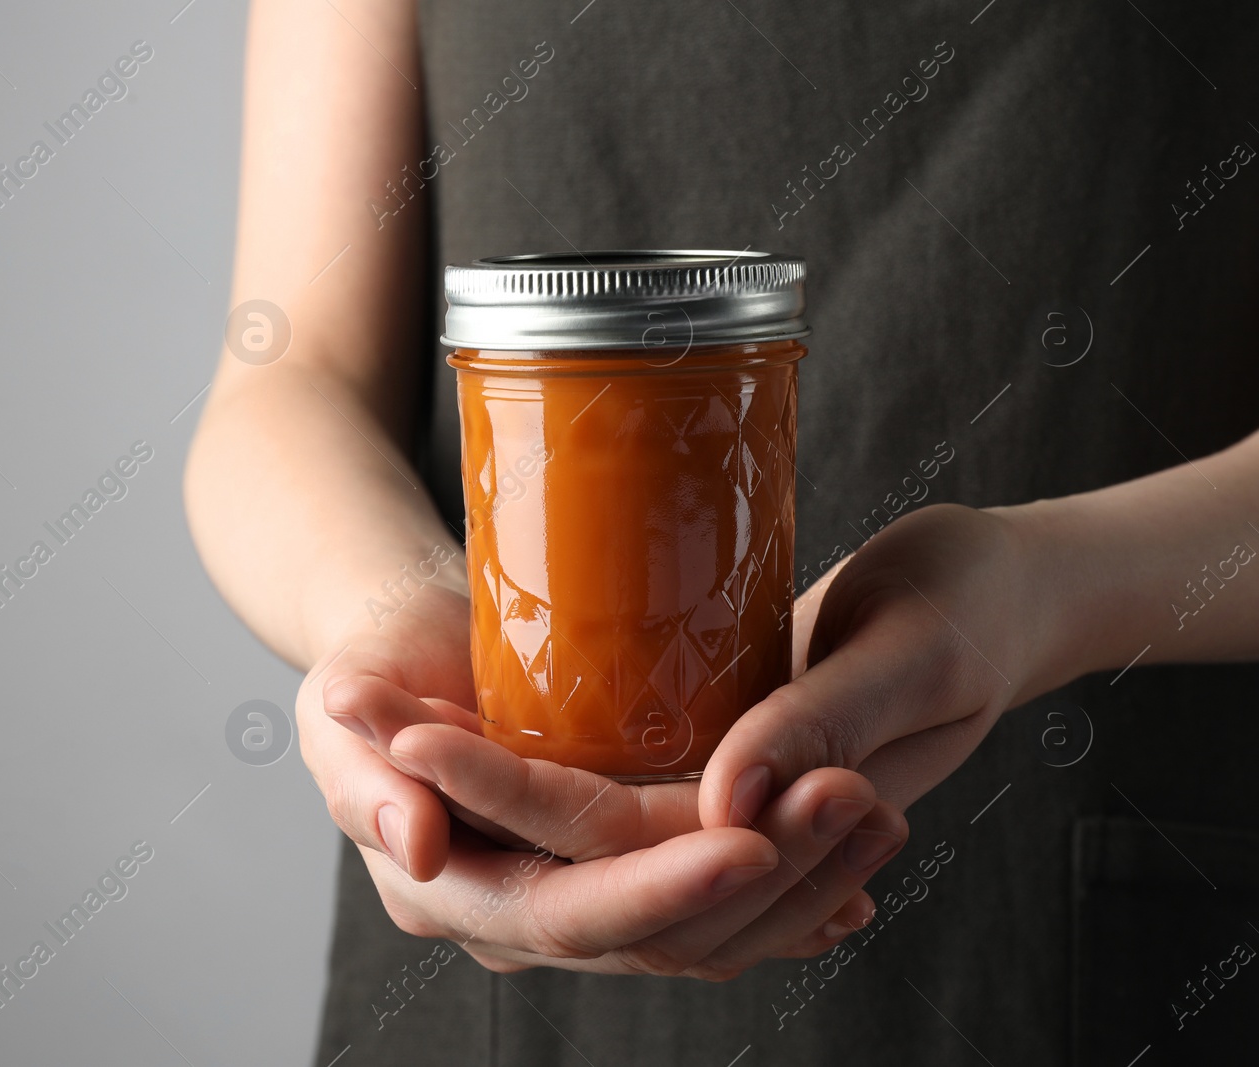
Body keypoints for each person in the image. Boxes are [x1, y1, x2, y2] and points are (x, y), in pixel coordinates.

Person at [186, 1, 1259, 1062]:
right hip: (490, 943)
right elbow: (292, 371)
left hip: (1083, 913)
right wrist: (385, 615)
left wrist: (1043, 589)